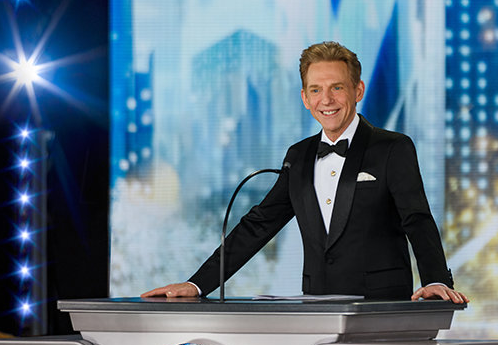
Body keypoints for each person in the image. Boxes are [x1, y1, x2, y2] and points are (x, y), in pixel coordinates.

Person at [142, 41, 468, 303]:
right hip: (315, 310)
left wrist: (436, 280)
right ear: (304, 98)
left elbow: (417, 219)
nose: (326, 99)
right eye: (315, 90)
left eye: (337, 87)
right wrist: (198, 284)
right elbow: (258, 226)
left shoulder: (393, 148)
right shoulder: (297, 157)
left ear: (358, 91)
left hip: (382, 307)